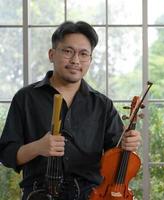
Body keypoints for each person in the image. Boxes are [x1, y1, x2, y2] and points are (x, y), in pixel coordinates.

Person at [0, 21, 141, 200]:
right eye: (68, 51)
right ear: (52, 54)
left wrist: (127, 144)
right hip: (39, 194)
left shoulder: (102, 105)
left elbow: (115, 156)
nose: (75, 60)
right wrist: (38, 147)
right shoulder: (26, 98)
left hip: (91, 194)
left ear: (90, 60)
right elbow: (7, 154)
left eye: (83, 54)